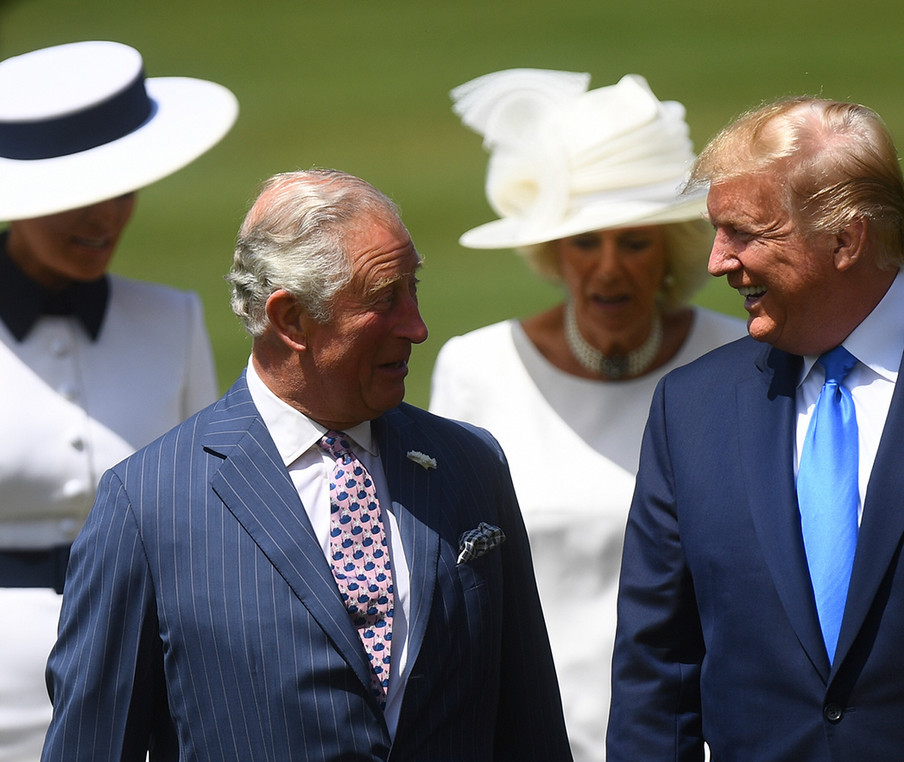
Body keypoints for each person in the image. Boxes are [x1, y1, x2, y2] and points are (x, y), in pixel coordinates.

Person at [41, 168, 573, 761]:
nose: (417, 327)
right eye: (384, 298)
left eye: (413, 288)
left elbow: (531, 730)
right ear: (290, 318)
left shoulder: (470, 465)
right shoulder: (147, 503)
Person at [608, 96, 904, 760]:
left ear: (845, 240)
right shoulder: (692, 408)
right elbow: (655, 677)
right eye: (716, 231)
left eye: (745, 233)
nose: (716, 262)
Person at [0, 40, 237, 762]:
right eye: (77, 197)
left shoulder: (174, 318)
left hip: (140, 706)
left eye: (122, 189)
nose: (106, 218)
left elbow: (207, 544)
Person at [428, 69, 745, 761]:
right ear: (552, 251)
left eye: (633, 242)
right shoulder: (476, 368)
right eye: (584, 241)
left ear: (671, 248)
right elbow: (446, 590)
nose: (608, 269)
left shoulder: (740, 360)